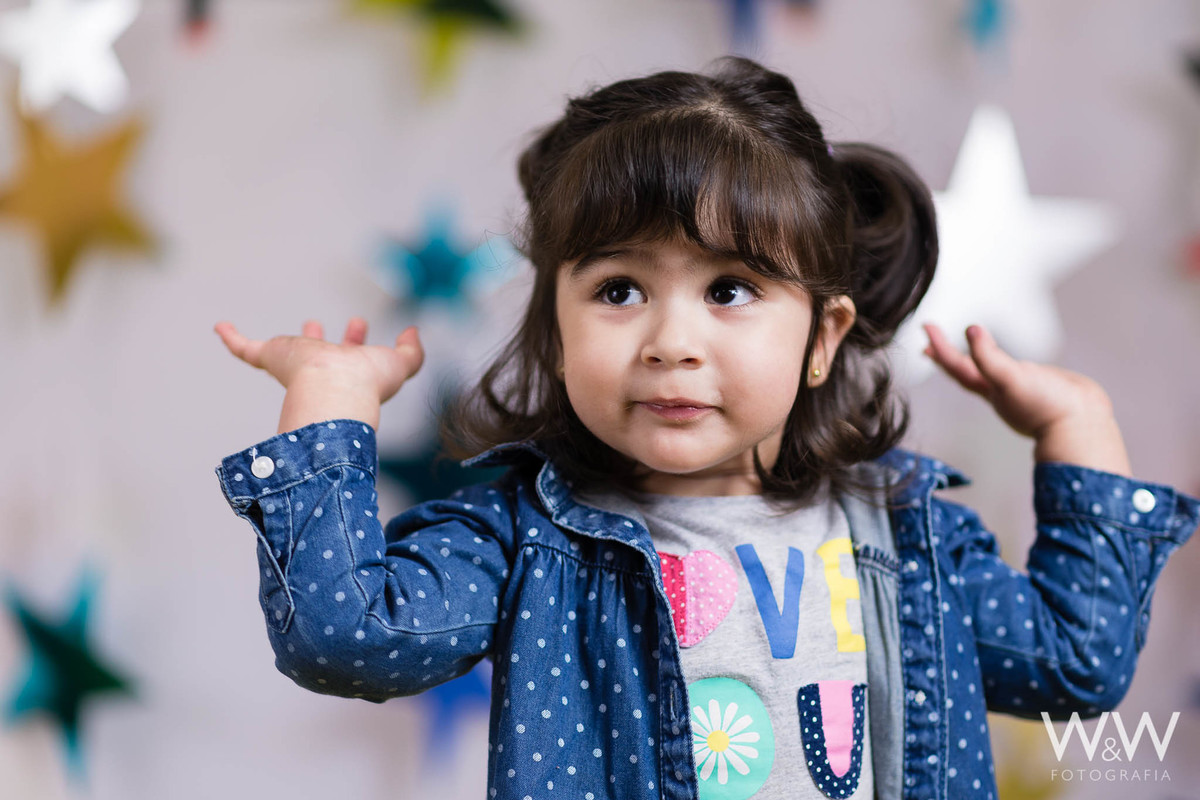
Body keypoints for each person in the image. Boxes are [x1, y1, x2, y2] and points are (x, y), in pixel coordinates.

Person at [212, 57, 1198, 800]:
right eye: (619, 289)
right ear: (555, 326)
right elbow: (344, 637)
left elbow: (1076, 664)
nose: (671, 342)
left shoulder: (911, 535)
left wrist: (1080, 424)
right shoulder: (522, 541)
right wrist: (331, 400)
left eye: (730, 289)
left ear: (822, 337)